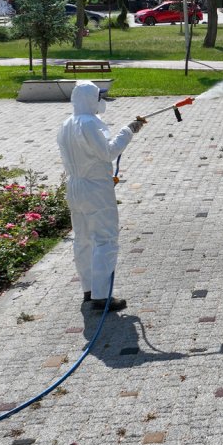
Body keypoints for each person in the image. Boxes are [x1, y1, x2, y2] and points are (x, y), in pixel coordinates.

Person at [57, 81, 145, 311]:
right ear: (90, 99)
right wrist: (128, 131)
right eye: (99, 96)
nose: (101, 101)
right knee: (105, 239)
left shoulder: (66, 124)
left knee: (83, 239)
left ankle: (89, 289)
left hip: (74, 187)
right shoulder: (90, 124)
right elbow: (108, 153)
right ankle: (101, 295)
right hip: (95, 189)